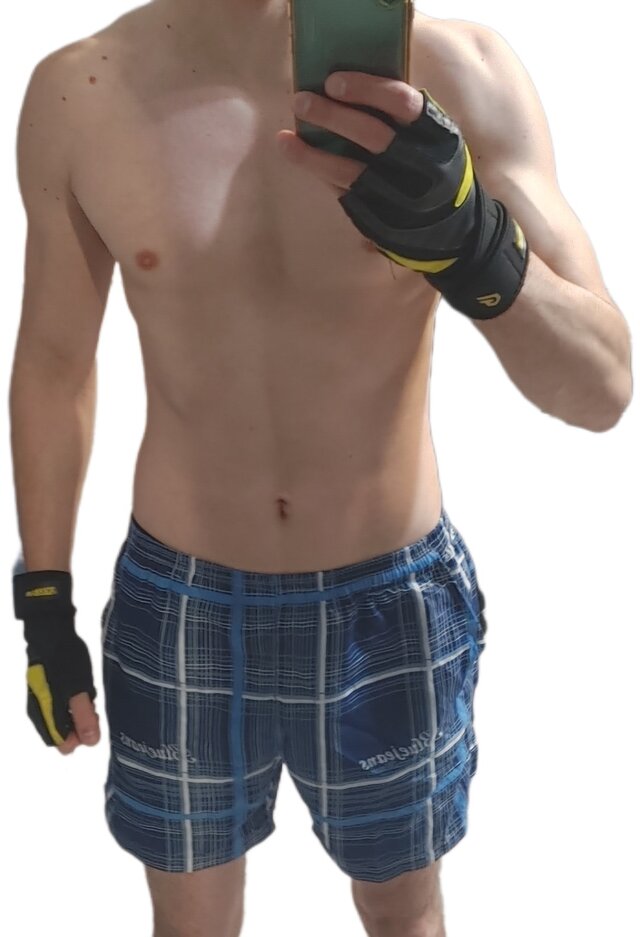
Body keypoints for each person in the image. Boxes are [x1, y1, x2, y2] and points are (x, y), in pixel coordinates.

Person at [9, 2, 632, 936]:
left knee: (403, 913)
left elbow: (603, 385)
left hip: (390, 602)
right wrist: (43, 600)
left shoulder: (456, 71)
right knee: (190, 925)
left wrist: (474, 243)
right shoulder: (80, 90)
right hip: (180, 604)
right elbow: (55, 364)